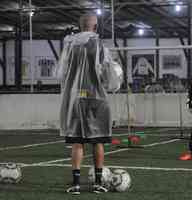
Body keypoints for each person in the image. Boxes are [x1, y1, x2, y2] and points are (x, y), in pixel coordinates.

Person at [57, 14, 123, 194]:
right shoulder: (100, 46)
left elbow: (61, 73)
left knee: (77, 142)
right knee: (98, 140)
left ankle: (76, 184)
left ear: (80, 26)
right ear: (96, 27)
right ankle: (98, 184)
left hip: (75, 98)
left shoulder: (69, 45)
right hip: (96, 97)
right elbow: (111, 75)